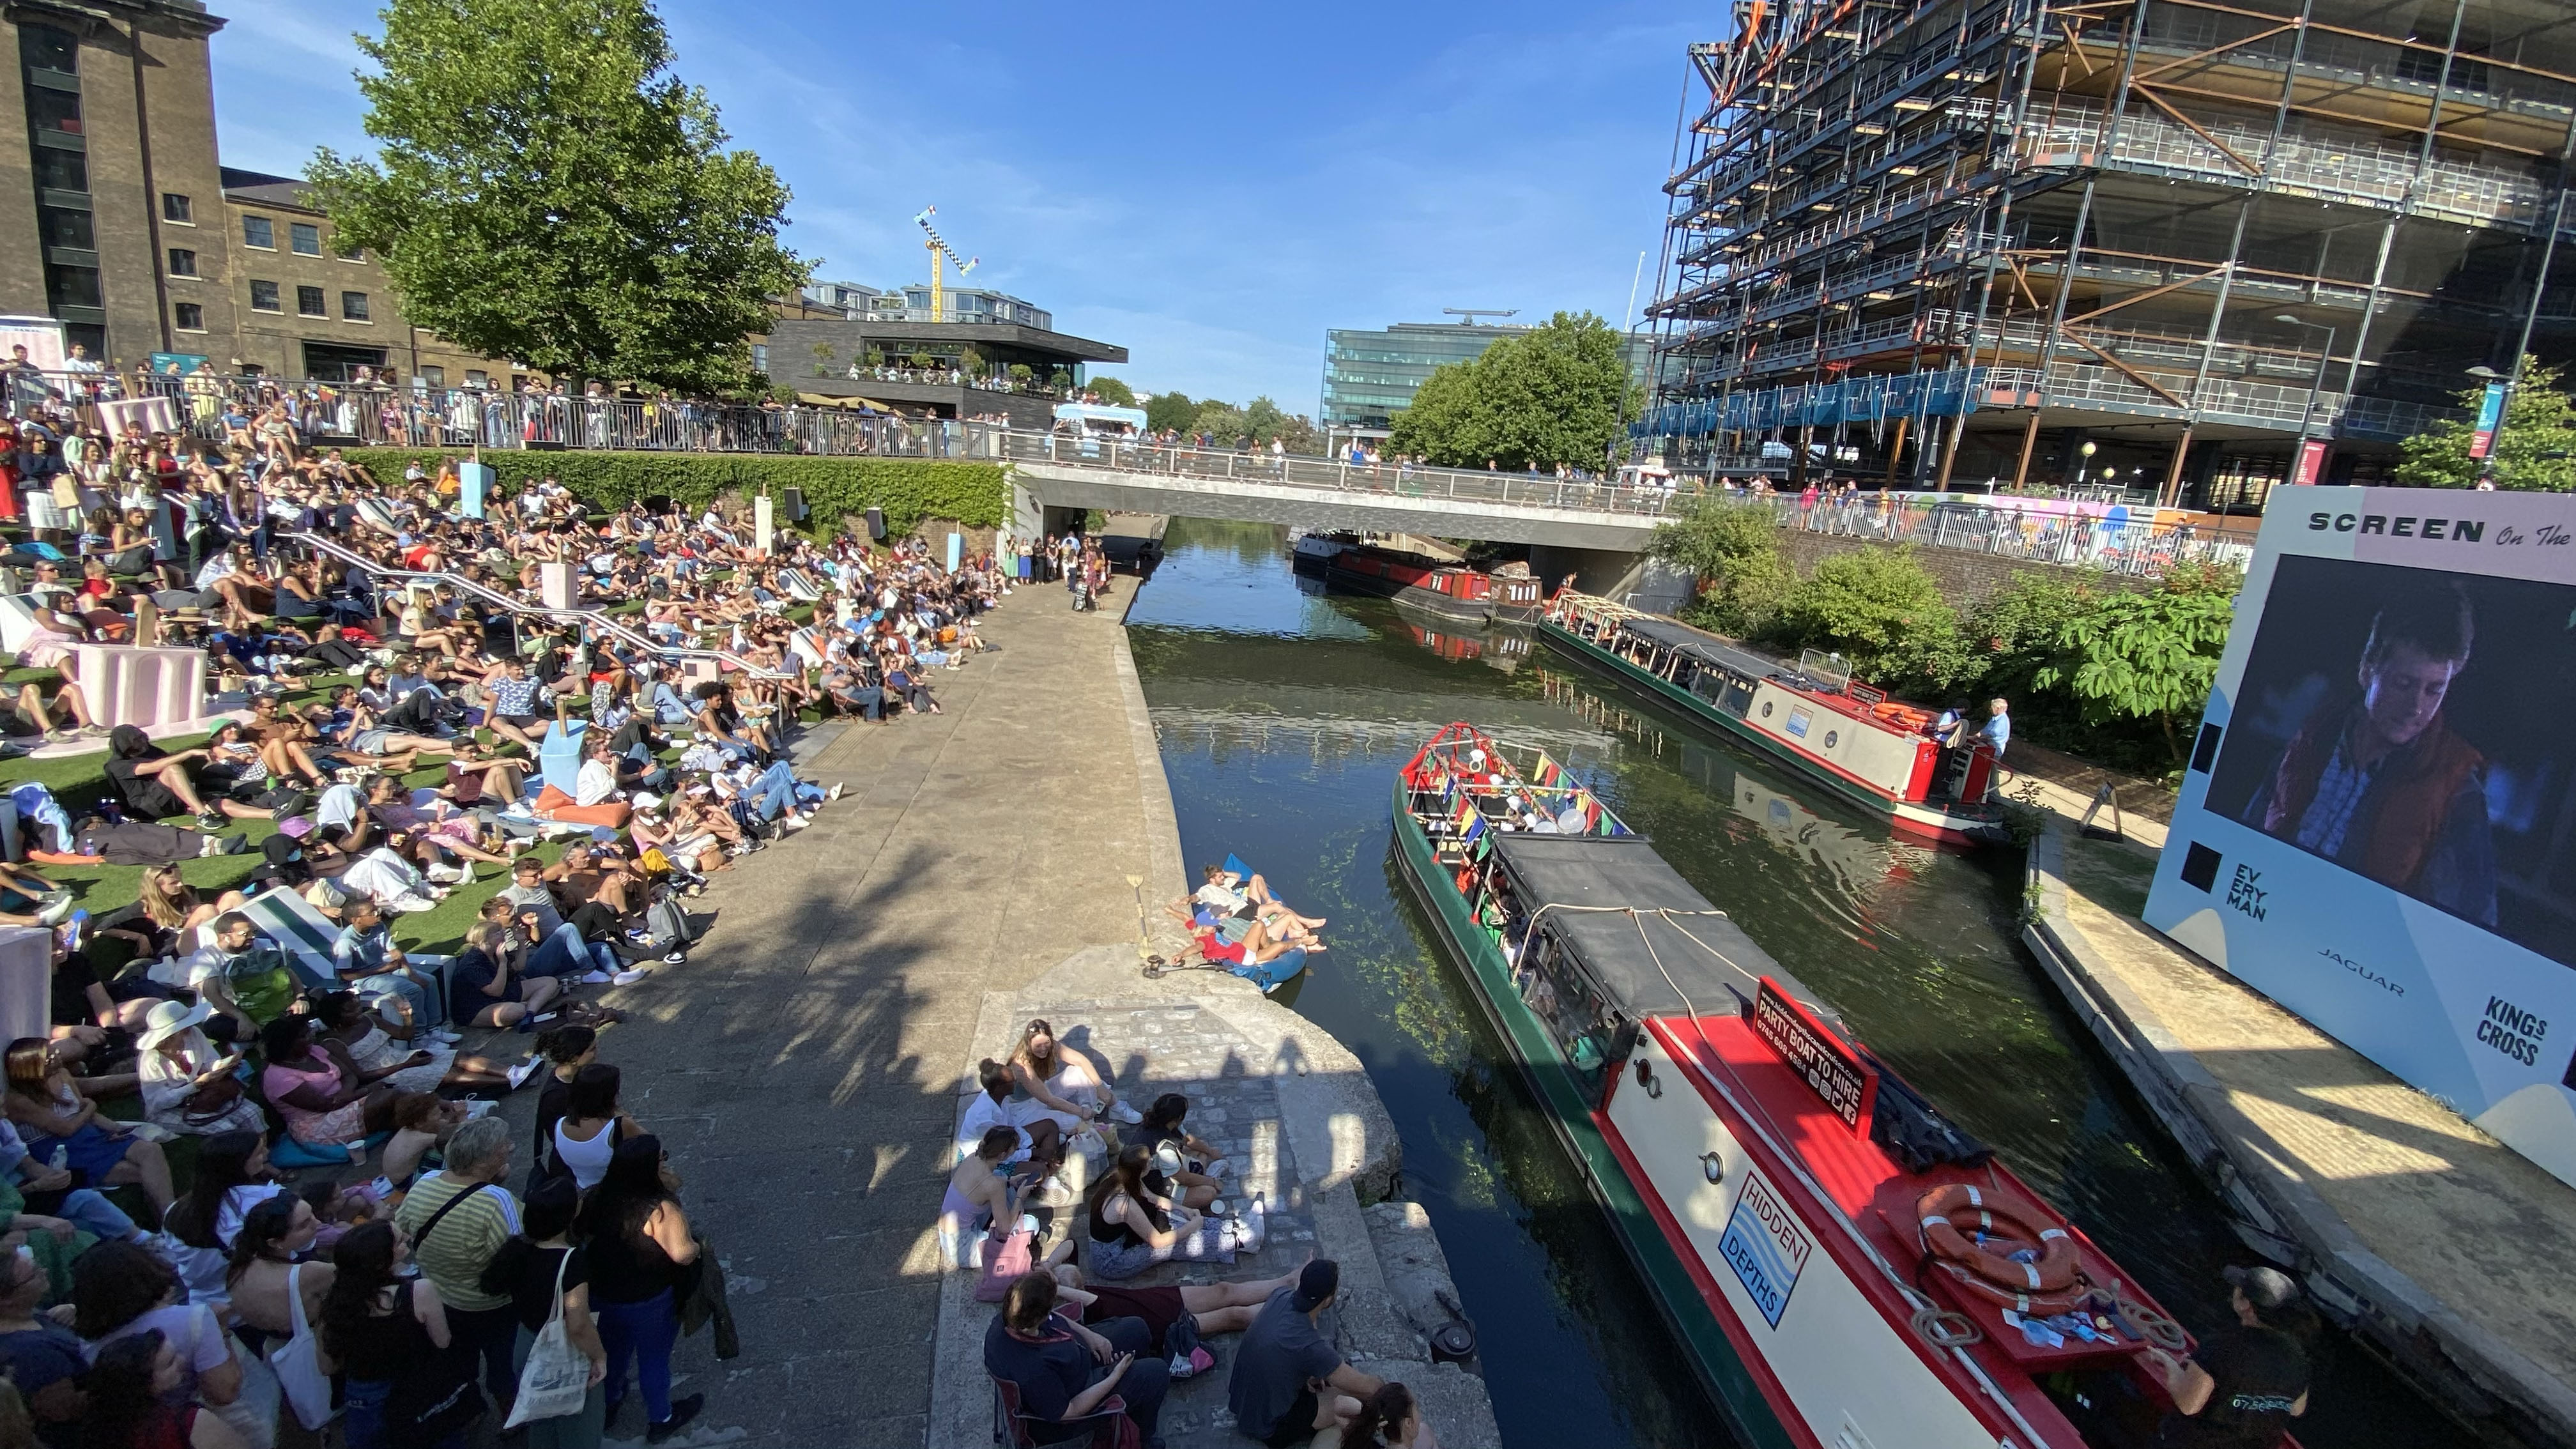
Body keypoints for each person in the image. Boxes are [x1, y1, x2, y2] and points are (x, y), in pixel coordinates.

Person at [2240, 586, 2496, 924]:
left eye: (2435, 690)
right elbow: (2247, 833)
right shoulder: (2314, 736)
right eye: (2403, 684)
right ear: (2367, 671)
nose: (2416, 708)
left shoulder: (2456, 788)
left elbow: (2463, 926)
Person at [392, 1116, 522, 1413]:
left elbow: (402, 1230)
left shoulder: (424, 1184)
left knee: (461, 1362)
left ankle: (468, 1410)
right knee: (503, 1366)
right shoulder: (498, 1201)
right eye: (505, 1148)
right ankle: (511, 1417)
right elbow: (516, 1256)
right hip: (493, 1306)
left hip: (442, 1299)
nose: (511, 1149)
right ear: (489, 1160)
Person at [578, 1135, 702, 1441]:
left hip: (602, 1294)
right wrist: (698, 1247)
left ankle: (609, 1401)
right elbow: (682, 1254)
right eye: (662, 1159)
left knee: (611, 1351)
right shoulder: (658, 1210)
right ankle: (661, 1417)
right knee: (654, 1358)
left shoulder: (595, 1197)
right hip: (648, 1299)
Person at [479, 1177, 609, 1449]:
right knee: (580, 1431)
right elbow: (578, 1325)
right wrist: (600, 1356)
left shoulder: (518, 1250)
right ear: (569, 1214)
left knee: (541, 1425)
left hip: (527, 1344)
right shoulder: (572, 1261)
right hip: (563, 1350)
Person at [318, 1220, 461, 1449]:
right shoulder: (419, 1292)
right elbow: (443, 1342)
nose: (406, 1239)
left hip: (365, 1395)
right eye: (399, 1240)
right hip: (418, 1386)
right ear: (381, 1262)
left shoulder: (333, 1304)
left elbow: (327, 1367)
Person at [985, 1271, 1169, 1448]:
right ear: (1035, 1319)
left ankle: (1137, 1392)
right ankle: (1143, 1437)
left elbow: (1051, 1317)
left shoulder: (1011, 1316)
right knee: (1157, 1372)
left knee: (1138, 1329)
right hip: (1075, 1400)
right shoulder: (1034, 1372)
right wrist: (1114, 1377)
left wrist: (1089, 1335)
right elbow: (1068, 1412)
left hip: (1072, 1359)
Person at [2143, 1266, 2313, 1449]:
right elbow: (2296, 1409)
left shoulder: (2222, 1346)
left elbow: (2189, 1405)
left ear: (2245, 1304)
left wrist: (2172, 1367)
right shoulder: (2298, 1358)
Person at [4, 1038, 172, 1215]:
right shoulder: (19, 1101)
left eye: (54, 1051)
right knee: (143, 1173)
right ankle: (169, 1222)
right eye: (49, 1057)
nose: (57, 1056)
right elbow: (66, 1129)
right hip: (60, 1149)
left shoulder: (62, 1074)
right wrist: (91, 1106)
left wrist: (113, 1128)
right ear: (31, 1067)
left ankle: (170, 1220)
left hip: (88, 1135)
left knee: (151, 1150)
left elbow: (82, 1110)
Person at [71, 1239, 243, 1413]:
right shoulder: (194, 1318)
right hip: (204, 1425)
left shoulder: (88, 1346)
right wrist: (222, 1329)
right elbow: (224, 1393)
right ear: (145, 1268)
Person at [1229, 1259, 1382, 1447]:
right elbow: (1367, 1387)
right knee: (1353, 1398)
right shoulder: (1311, 1347)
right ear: (1327, 1300)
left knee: (1327, 1383)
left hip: (1242, 1404)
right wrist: (1388, 1390)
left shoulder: (1280, 1296)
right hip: (1270, 1427)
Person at [1085, 1143, 1260, 1280]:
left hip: (1121, 1238)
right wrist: (1192, 1227)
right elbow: (1158, 1242)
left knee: (1175, 1219)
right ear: (1141, 1170)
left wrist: (1185, 1209)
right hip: (1112, 1259)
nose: (1153, 1162)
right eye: (1150, 1162)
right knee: (1175, 1244)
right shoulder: (1125, 1204)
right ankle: (1239, 1242)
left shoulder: (1123, 1176)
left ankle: (1235, 1226)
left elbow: (1154, 1199)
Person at [156, 1131, 283, 1307]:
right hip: (253, 1300)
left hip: (203, 1301)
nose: (267, 1153)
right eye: (260, 1152)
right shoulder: (261, 1202)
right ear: (238, 1164)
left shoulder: (175, 1212)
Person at [75, 1330, 250, 1449]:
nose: (182, 1361)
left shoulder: (95, 1434)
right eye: (169, 1363)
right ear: (141, 1384)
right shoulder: (188, 1422)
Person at [257, 1015, 401, 1147]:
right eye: (304, 1036)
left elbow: (349, 1075)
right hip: (317, 1123)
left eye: (309, 1032)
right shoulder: (278, 1077)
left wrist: (346, 1094)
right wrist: (367, 1090)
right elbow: (325, 1105)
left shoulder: (315, 1051)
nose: (311, 1037)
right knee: (389, 1098)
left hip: (346, 1101)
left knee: (400, 1106)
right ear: (286, 1044)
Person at [0, 1236, 89, 1445]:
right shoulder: (31, 1353)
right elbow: (64, 1411)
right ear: (6, 1299)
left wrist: (71, 1310)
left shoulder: (27, 1314)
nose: (45, 1272)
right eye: (34, 1274)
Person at [134, 1000, 261, 1137]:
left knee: (253, 1112)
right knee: (227, 1129)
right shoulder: (151, 1060)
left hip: (206, 1096)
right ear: (170, 1035)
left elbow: (209, 1061)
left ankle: (262, 1155)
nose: (190, 1028)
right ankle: (243, 1156)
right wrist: (196, 1085)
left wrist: (223, 1066)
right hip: (169, 1110)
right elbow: (157, 1102)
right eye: (184, 1028)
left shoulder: (193, 1034)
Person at [1008, 1018, 1142, 1133]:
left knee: (1080, 1072)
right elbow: (1049, 1099)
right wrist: (1080, 1111)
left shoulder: (1052, 1046)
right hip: (1024, 1110)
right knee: (1075, 1121)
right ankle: (1086, 1120)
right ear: (1028, 1043)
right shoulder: (1022, 1066)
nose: (1044, 1048)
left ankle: (1113, 1107)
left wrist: (1100, 1087)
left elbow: (1081, 1060)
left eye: (1046, 1043)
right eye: (1038, 1045)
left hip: (1043, 1093)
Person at [551, 1064, 641, 1192]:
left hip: (582, 1190)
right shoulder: (619, 1125)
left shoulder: (560, 1125)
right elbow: (651, 1144)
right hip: (616, 1192)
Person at [1344, 1382, 1439, 1448]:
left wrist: (1368, 1411)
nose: (1419, 1414)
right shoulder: (1425, 1434)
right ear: (1408, 1423)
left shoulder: (1365, 1442)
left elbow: (1339, 1404)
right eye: (1417, 1408)